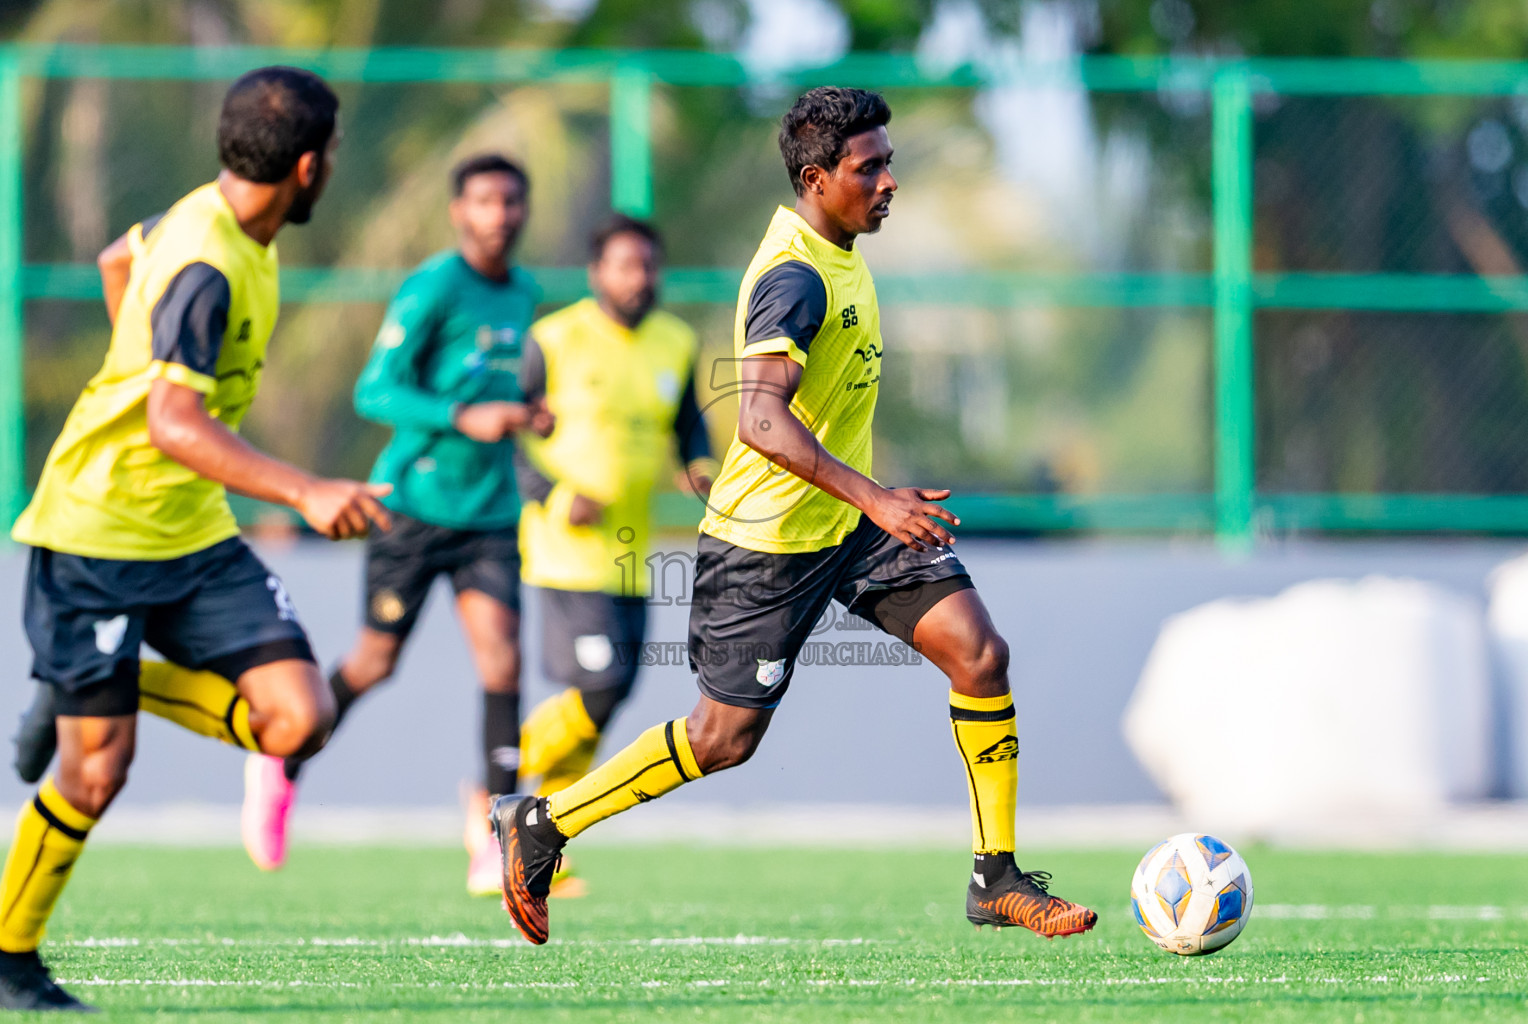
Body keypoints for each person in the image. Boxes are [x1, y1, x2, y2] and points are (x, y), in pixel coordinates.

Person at [489, 87, 1098, 946]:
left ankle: (994, 877)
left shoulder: (839, 248)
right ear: (816, 177)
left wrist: (868, 508)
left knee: (979, 652)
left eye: (889, 161)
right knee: (722, 738)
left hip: (843, 527)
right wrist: (877, 496)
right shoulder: (795, 275)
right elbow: (760, 418)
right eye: (869, 167)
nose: (889, 181)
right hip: (766, 543)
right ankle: (543, 822)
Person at [0, 67, 387, 1011]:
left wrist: (131, 359)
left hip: (190, 536)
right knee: (96, 773)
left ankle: (94, 679)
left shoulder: (209, 218)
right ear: (308, 166)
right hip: (98, 533)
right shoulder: (210, 261)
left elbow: (112, 262)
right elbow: (175, 424)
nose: (329, 167)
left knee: (297, 719)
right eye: (330, 155)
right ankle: (9, 953)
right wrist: (302, 489)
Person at [239, 153, 551, 894]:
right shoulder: (437, 284)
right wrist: (460, 416)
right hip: (411, 508)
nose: (500, 214)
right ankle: (282, 759)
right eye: (484, 201)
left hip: (489, 514)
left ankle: (494, 833)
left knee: (503, 663)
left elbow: (501, 388)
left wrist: (528, 418)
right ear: (458, 211)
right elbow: (374, 389)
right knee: (375, 662)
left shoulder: (527, 293)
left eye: (512, 201)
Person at [514, 214, 715, 896]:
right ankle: (502, 779)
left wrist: (704, 472)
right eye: (626, 265)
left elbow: (690, 426)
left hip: (633, 547)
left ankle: (541, 836)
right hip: (567, 549)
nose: (640, 278)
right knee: (598, 688)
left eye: (649, 265)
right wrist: (554, 493)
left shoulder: (674, 341)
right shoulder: (554, 339)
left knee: (615, 690)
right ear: (597, 271)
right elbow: (510, 435)